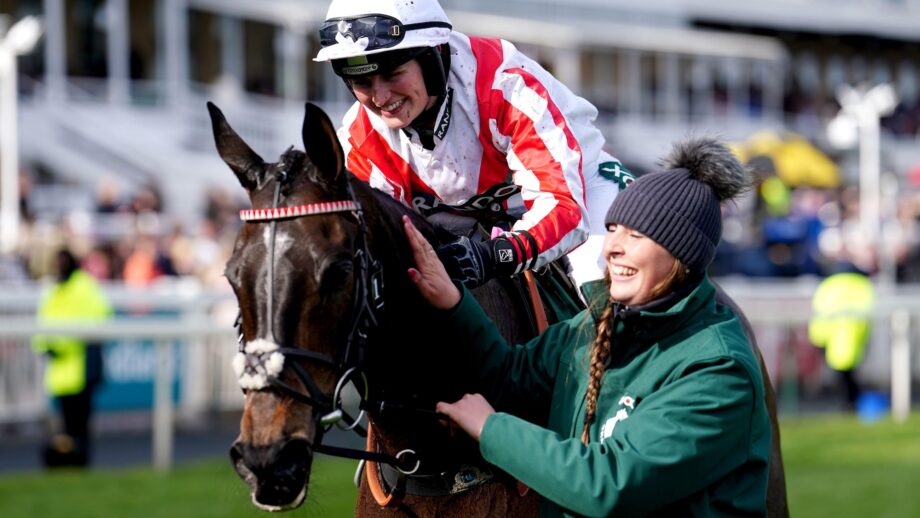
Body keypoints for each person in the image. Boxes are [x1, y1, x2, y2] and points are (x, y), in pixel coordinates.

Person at [402, 137, 771, 516]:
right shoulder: (594, 323)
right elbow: (509, 378)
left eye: (636, 235)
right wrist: (453, 302)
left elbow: (609, 485)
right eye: (612, 228)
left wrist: (490, 429)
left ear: (681, 255)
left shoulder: (719, 369)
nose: (612, 247)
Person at [314, 0, 634, 289]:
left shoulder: (506, 87)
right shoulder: (359, 138)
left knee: (600, 278)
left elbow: (563, 208)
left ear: (433, 57)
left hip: (580, 191)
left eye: (393, 74)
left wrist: (494, 256)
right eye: (362, 82)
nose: (381, 98)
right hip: (461, 214)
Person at [32, 249, 113, 467]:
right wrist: (45, 346)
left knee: (80, 424)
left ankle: (81, 462)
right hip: (61, 371)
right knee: (67, 426)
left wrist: (58, 345)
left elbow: (99, 318)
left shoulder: (84, 287)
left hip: (81, 368)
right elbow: (42, 323)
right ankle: (71, 463)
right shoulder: (54, 289)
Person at [808, 268, 875, 409]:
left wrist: (817, 338)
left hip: (833, 337)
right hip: (852, 336)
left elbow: (819, 312)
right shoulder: (861, 285)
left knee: (844, 375)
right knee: (847, 374)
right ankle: (851, 403)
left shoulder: (828, 285)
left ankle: (851, 403)